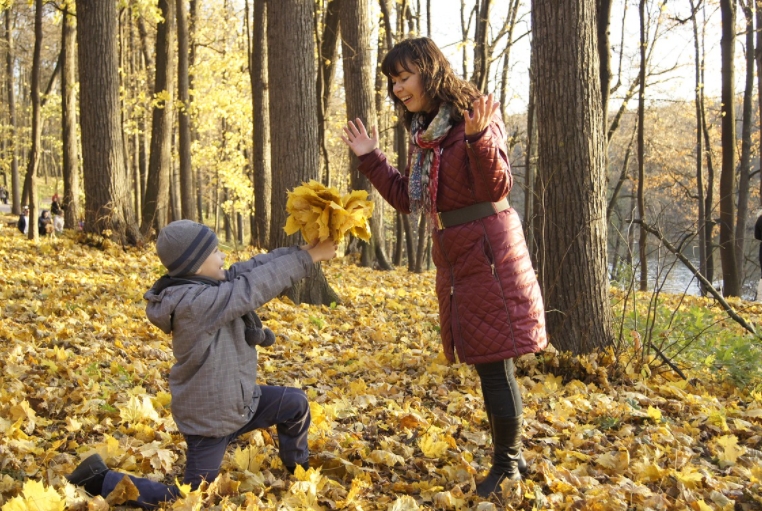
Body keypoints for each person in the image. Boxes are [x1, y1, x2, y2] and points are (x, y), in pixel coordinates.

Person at [340, 37, 548, 498]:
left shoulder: (473, 116)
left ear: (429, 72)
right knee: (488, 362)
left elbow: (497, 184)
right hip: (457, 255)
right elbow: (408, 200)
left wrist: (478, 138)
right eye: (392, 81)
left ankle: (508, 466)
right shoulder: (427, 131)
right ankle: (512, 454)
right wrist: (370, 157)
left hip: (489, 253)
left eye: (404, 77)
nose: (397, 88)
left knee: (494, 364)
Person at [66, 220, 337, 508]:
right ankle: (100, 479)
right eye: (217, 251)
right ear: (195, 265)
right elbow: (253, 287)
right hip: (210, 420)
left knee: (295, 404)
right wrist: (309, 259)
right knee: (192, 498)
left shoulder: (203, 286)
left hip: (239, 401)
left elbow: (249, 270)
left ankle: (299, 468)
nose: (223, 257)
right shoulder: (196, 304)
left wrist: (298, 250)